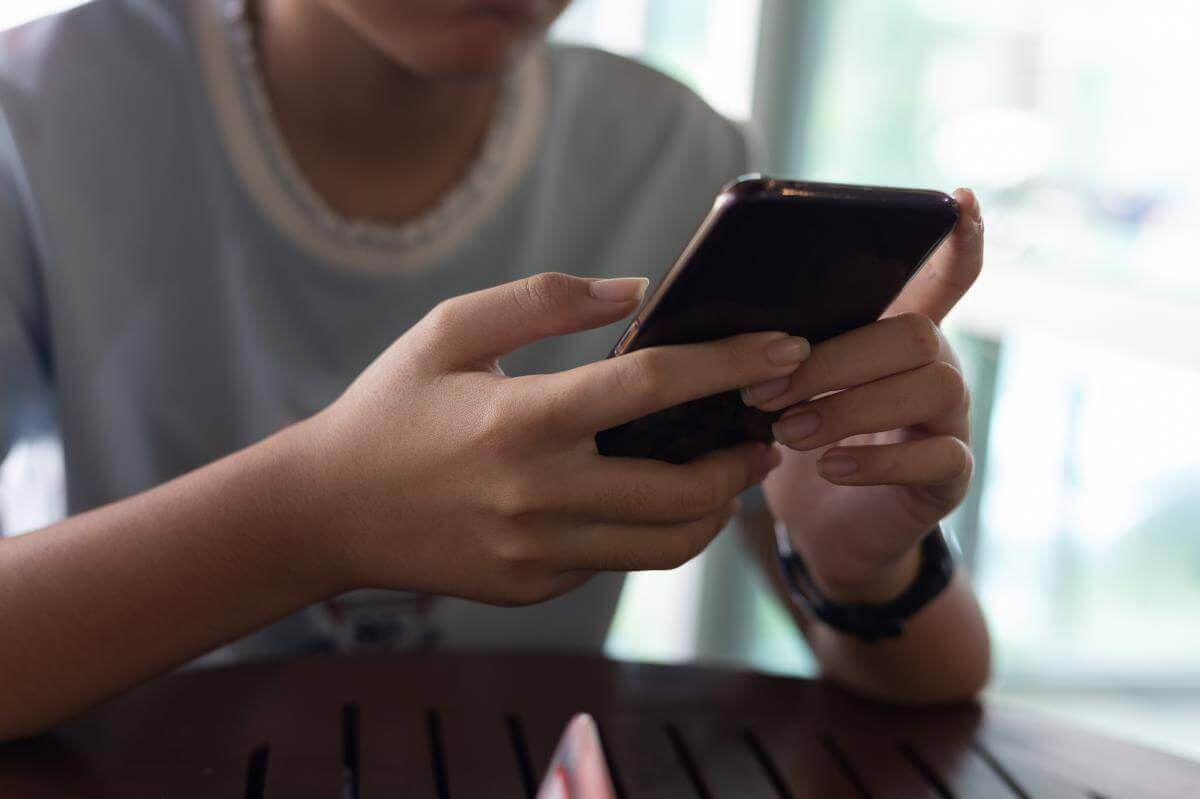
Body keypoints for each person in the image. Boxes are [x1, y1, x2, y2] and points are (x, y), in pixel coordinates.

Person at [0, 0, 989, 741]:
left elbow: (939, 682)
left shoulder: (671, 145)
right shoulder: (39, 112)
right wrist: (309, 520)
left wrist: (860, 566)